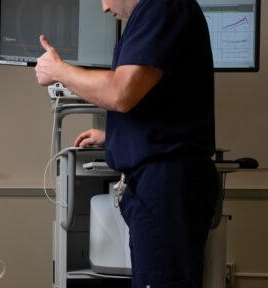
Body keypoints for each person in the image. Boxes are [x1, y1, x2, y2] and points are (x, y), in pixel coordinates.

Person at [35, 0, 219, 287]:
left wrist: (59, 71)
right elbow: (161, 98)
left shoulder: (161, 6)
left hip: (166, 184)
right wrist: (116, 136)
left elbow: (120, 92)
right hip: (163, 184)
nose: (104, 8)